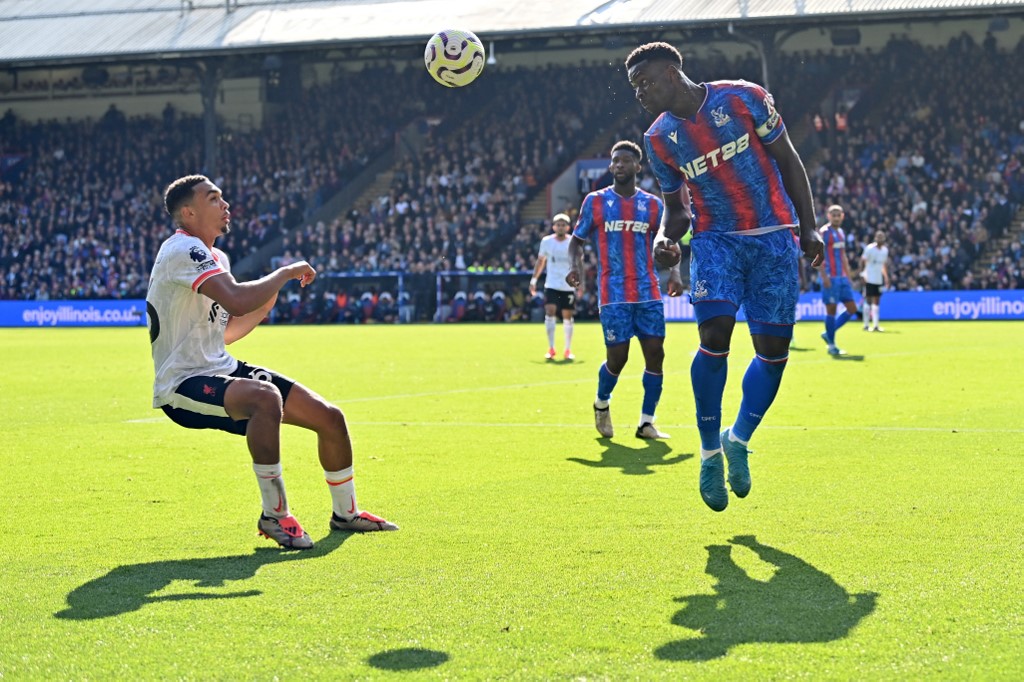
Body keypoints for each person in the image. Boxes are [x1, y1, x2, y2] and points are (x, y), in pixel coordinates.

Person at [146, 175, 397, 550]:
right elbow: (235, 299)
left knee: (330, 417)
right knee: (265, 399)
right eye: (214, 198)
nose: (225, 204)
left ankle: (346, 514)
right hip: (182, 383)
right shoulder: (183, 249)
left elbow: (223, 332)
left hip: (219, 368)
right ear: (189, 212)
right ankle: (275, 515)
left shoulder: (216, 257)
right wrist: (283, 274)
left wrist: (262, 307)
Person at [625, 42, 824, 512]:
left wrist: (810, 224)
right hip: (715, 241)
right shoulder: (658, 140)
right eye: (635, 87)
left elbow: (789, 159)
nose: (641, 93)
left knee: (773, 353)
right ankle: (711, 450)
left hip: (775, 236)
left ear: (672, 73)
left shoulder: (741, 97)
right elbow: (676, 209)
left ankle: (739, 438)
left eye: (646, 82)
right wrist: (661, 240)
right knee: (715, 335)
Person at [566, 140, 683, 440]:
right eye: (615, 161)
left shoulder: (653, 205)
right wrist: (574, 267)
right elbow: (576, 240)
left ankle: (646, 422)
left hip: (648, 291)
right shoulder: (595, 201)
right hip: (614, 292)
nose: (619, 165)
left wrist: (675, 273)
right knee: (618, 359)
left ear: (637, 166)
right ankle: (601, 403)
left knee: (655, 355)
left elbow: (670, 242)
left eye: (625, 161)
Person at [530, 213, 577, 360]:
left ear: (568, 227)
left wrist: (579, 283)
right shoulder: (547, 241)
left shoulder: (573, 242)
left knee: (567, 317)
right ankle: (551, 348)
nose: (561, 227)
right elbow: (540, 261)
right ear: (554, 227)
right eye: (558, 224)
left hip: (568, 285)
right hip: (552, 284)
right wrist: (534, 280)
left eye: (563, 225)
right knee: (550, 311)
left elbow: (578, 263)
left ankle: (567, 349)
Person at [818, 205, 858, 354]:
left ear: (842, 216)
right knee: (832, 311)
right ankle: (831, 346)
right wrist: (823, 276)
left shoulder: (841, 232)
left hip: (842, 278)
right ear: (828, 216)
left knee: (852, 309)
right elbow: (817, 254)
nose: (836, 217)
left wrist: (849, 276)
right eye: (833, 215)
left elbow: (843, 256)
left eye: (838, 215)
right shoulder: (824, 232)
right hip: (830, 277)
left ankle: (828, 333)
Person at [860, 230, 890, 332]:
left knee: (877, 301)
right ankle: (866, 324)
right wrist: (862, 274)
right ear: (875, 238)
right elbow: (862, 261)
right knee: (868, 300)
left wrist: (886, 278)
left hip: (878, 278)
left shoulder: (885, 250)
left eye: (882, 237)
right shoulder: (869, 249)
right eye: (878, 237)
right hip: (869, 277)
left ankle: (876, 325)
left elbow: (884, 265)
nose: (880, 239)